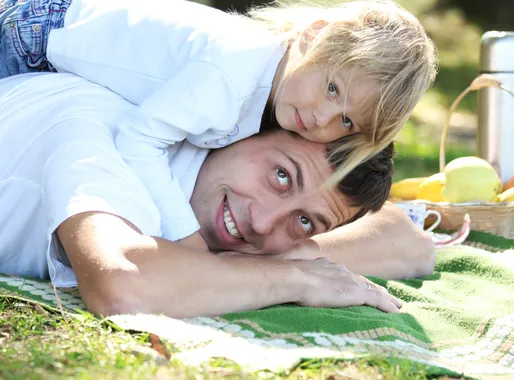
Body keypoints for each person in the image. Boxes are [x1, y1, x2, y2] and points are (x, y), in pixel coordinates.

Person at [0, 0, 438, 245]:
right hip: (30, 35)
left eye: (345, 121)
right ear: (312, 36)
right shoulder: (233, 75)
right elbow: (138, 141)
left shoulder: (267, 86)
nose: (321, 119)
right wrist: (189, 243)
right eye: (332, 88)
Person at [0, 73, 435, 318]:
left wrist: (268, 260)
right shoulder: (105, 137)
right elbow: (125, 286)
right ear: (238, 129)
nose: (263, 224)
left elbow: (403, 238)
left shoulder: (210, 189)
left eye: (305, 221)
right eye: (282, 176)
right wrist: (297, 277)